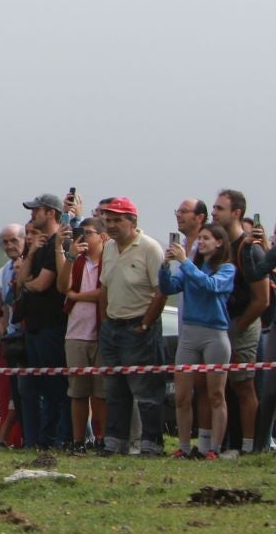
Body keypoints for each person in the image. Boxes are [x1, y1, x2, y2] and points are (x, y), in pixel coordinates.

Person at [95, 197, 167, 457]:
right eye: (108, 219)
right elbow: (104, 287)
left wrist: (146, 323)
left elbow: (161, 291)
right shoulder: (109, 248)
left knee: (146, 390)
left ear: (133, 221)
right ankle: (115, 443)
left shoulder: (150, 248)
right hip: (113, 326)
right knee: (115, 389)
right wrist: (105, 321)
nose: (111, 225)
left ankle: (151, 444)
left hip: (139, 326)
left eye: (117, 220)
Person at [162, 223, 236, 459]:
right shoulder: (191, 266)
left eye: (206, 238)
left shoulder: (227, 269)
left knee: (216, 394)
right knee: (183, 395)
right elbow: (169, 287)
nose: (201, 242)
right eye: (199, 238)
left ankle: (214, 448)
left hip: (215, 334)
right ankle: (183, 447)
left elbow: (210, 286)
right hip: (189, 333)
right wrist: (165, 266)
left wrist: (186, 262)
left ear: (219, 242)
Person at [210, 190, 268, 457]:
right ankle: (226, 444)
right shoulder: (219, 247)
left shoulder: (250, 249)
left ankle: (248, 447)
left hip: (244, 321)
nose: (214, 213)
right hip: (222, 322)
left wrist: (239, 327)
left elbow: (262, 299)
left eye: (220, 208)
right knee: (223, 386)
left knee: (244, 385)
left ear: (236, 213)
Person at [14, 193, 72, 450]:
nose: (32, 214)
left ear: (50, 212)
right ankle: (44, 439)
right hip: (35, 326)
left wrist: (26, 283)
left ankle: (57, 439)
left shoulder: (57, 244)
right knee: (41, 388)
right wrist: (32, 252)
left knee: (55, 388)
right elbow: (21, 281)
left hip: (52, 325)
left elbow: (40, 284)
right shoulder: (40, 246)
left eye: (36, 210)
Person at [63, 218, 107, 453]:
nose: (84, 237)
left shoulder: (110, 261)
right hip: (76, 332)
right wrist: (69, 257)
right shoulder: (76, 261)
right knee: (78, 393)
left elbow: (104, 292)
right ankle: (79, 441)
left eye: (88, 233)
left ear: (101, 236)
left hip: (101, 331)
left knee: (101, 393)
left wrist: (77, 296)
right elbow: (63, 287)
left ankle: (102, 438)